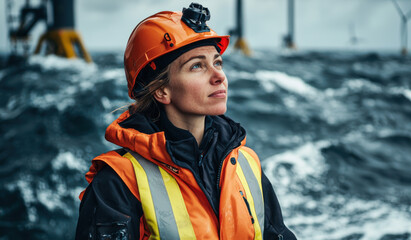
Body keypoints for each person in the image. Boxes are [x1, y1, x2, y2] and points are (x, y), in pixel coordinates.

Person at [75, 3, 297, 240]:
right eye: (197, 66)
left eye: (217, 62)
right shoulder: (119, 182)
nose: (219, 76)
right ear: (162, 91)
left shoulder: (247, 164)